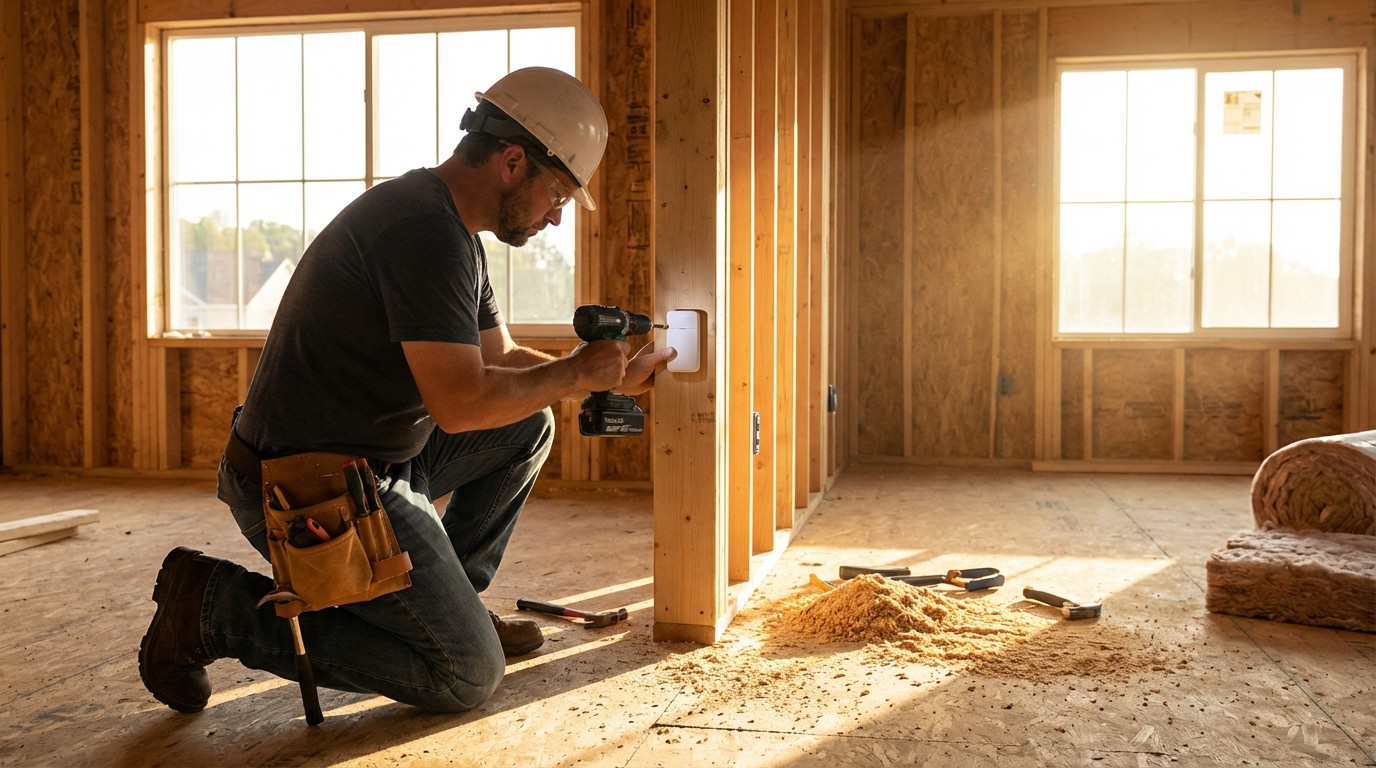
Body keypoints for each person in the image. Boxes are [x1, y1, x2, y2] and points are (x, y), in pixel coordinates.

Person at [138, 67, 676, 714]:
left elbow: (498, 359)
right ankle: (216, 609)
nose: (557, 218)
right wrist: (572, 374)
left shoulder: (449, 230)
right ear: (511, 162)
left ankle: (450, 605)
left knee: (528, 424)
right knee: (466, 674)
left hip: (368, 463)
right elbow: (460, 403)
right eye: (558, 194)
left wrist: (605, 376)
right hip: (304, 485)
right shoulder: (423, 235)